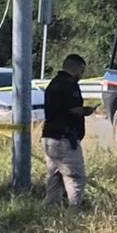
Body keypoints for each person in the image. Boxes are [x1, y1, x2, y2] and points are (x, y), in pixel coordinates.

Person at [41, 54, 96, 207]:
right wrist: (87, 110)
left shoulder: (54, 83)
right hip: (65, 139)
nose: (81, 75)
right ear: (76, 68)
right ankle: (75, 211)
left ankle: (50, 207)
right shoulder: (69, 85)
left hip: (49, 138)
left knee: (55, 177)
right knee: (76, 178)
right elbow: (74, 110)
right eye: (82, 71)